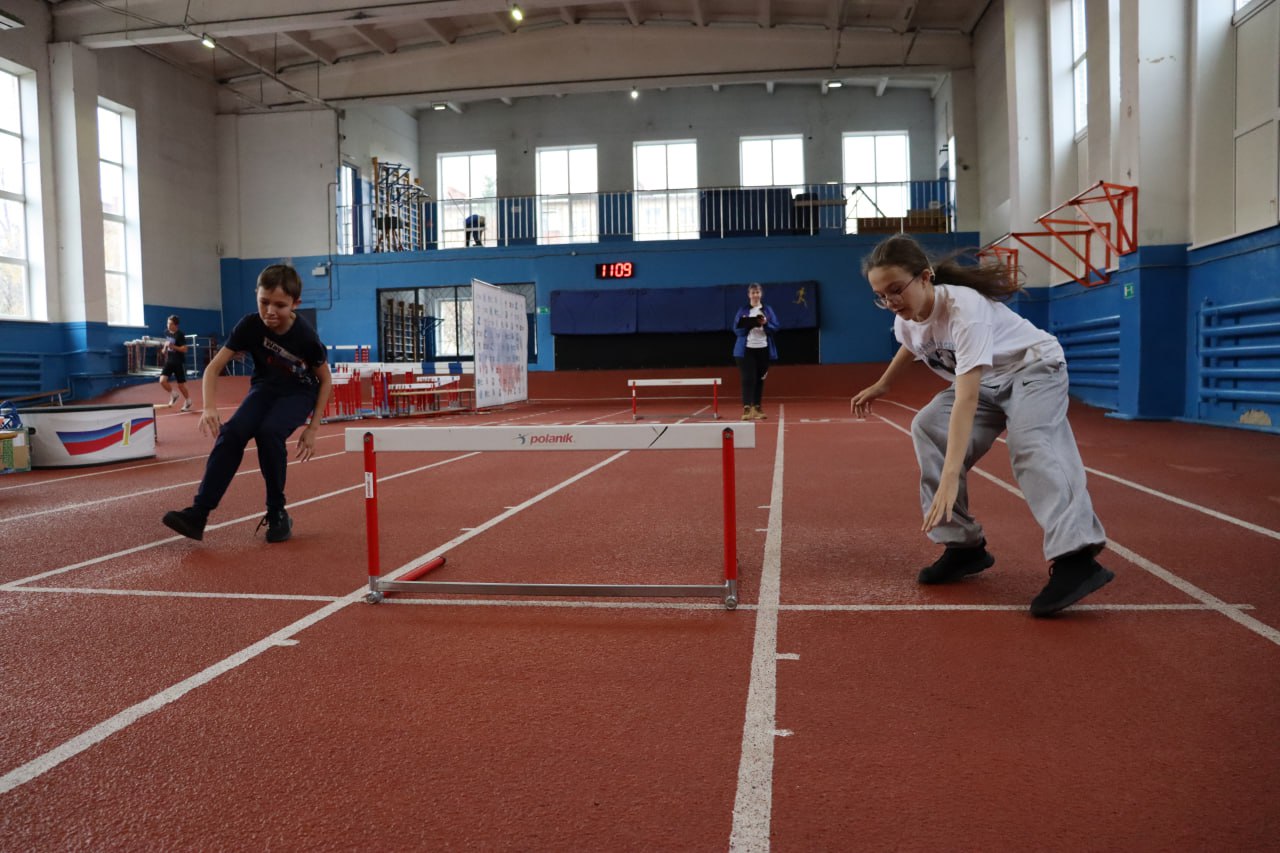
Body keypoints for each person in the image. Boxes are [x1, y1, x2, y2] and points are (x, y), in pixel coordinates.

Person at [850, 234, 1112, 617]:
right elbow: (914, 342)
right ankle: (963, 547)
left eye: (896, 290)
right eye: (881, 296)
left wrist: (950, 475)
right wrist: (884, 383)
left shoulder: (965, 309)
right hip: (989, 380)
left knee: (1031, 443)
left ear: (925, 277)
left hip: (1032, 368)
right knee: (928, 426)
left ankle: (1077, 557)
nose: (891, 302)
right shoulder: (905, 320)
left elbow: (966, 399)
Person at [162, 264, 332, 544]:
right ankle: (198, 514)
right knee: (231, 433)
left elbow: (325, 380)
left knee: (269, 433)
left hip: (299, 392)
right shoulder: (249, 325)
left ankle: (277, 512)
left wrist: (313, 429)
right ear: (256, 295)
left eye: (280, 305)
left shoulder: (306, 337)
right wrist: (209, 407)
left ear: (295, 303)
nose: (270, 311)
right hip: (264, 389)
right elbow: (213, 368)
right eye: (264, 302)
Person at [732, 283, 780, 421]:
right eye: (753, 293)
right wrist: (749, 324)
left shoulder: (767, 310)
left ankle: (757, 407)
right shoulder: (743, 310)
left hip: (763, 349)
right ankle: (747, 408)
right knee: (748, 378)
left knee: (760, 378)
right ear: (749, 295)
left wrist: (766, 324)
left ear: (761, 294)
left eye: (757, 292)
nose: (755, 295)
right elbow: (736, 330)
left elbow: (776, 327)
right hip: (746, 350)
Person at [159, 315, 193, 412]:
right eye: (167, 323)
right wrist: (164, 349)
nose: (168, 325)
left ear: (176, 325)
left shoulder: (180, 335)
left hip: (179, 362)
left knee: (180, 385)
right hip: (169, 361)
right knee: (162, 381)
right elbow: (167, 342)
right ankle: (174, 395)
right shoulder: (166, 332)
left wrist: (173, 347)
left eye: (170, 324)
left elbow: (185, 349)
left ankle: (188, 401)